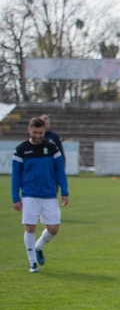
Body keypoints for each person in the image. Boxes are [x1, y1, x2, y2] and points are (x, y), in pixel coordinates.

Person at [12, 117, 69, 273]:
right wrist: (15, 197)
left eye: (41, 132)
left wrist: (65, 191)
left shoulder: (52, 148)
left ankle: (38, 247)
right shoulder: (21, 149)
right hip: (30, 194)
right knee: (30, 227)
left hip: (49, 194)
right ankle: (33, 263)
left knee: (53, 229)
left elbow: (59, 171)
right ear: (29, 130)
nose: (38, 136)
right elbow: (16, 175)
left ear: (45, 130)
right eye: (35, 132)